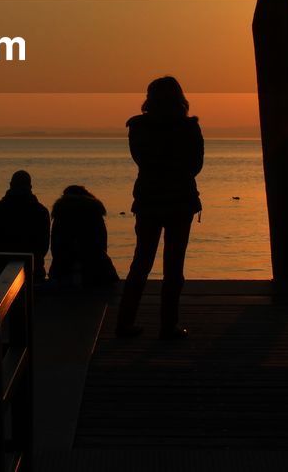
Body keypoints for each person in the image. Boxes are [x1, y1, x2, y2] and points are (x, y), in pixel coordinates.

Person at [115, 76, 204, 340]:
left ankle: (124, 322)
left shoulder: (139, 127)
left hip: (149, 201)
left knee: (141, 263)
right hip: (180, 201)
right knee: (174, 267)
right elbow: (195, 166)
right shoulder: (189, 128)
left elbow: (141, 161)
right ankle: (168, 326)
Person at [49, 185, 119, 288]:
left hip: (63, 269)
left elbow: (55, 247)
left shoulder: (60, 213)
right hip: (96, 270)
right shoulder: (95, 212)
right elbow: (102, 244)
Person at [0, 170, 50, 281]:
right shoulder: (41, 211)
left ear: (11, 185)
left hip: (3, 270)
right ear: (30, 186)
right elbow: (43, 246)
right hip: (34, 271)